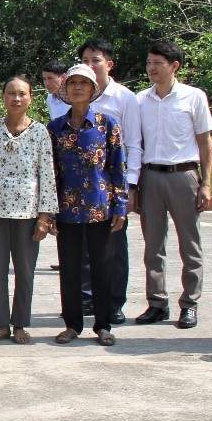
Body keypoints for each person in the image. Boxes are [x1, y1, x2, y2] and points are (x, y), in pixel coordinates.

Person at [135, 40, 212, 330]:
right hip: (151, 175)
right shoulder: (140, 100)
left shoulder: (193, 97)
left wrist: (205, 183)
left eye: (157, 63)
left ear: (174, 66)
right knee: (153, 244)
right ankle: (157, 302)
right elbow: (135, 143)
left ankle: (190, 304)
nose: (151, 68)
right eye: (148, 63)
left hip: (184, 175)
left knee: (189, 245)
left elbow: (206, 143)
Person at [48, 65, 129, 346]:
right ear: (65, 90)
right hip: (66, 210)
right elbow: (51, 173)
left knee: (102, 267)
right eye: (73, 84)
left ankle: (103, 324)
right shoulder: (55, 128)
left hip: (100, 207)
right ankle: (72, 324)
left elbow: (118, 167)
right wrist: (49, 211)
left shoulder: (107, 125)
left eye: (84, 83)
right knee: (70, 268)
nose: (78, 88)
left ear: (93, 89)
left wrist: (120, 205)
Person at [0, 77, 57, 344]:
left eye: (22, 94)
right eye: (11, 93)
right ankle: (1, 324)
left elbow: (47, 174)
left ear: (31, 98)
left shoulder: (40, 132)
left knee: (25, 271)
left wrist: (45, 216)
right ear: (3, 97)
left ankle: (20, 323)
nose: (16, 99)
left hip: (28, 213)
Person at [77, 38, 141, 324]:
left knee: (114, 246)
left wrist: (131, 186)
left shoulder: (124, 98)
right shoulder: (73, 96)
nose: (91, 66)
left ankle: (114, 301)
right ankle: (87, 299)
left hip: (112, 183)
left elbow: (134, 144)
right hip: (78, 188)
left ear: (109, 64)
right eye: (85, 61)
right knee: (83, 248)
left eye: (96, 61)